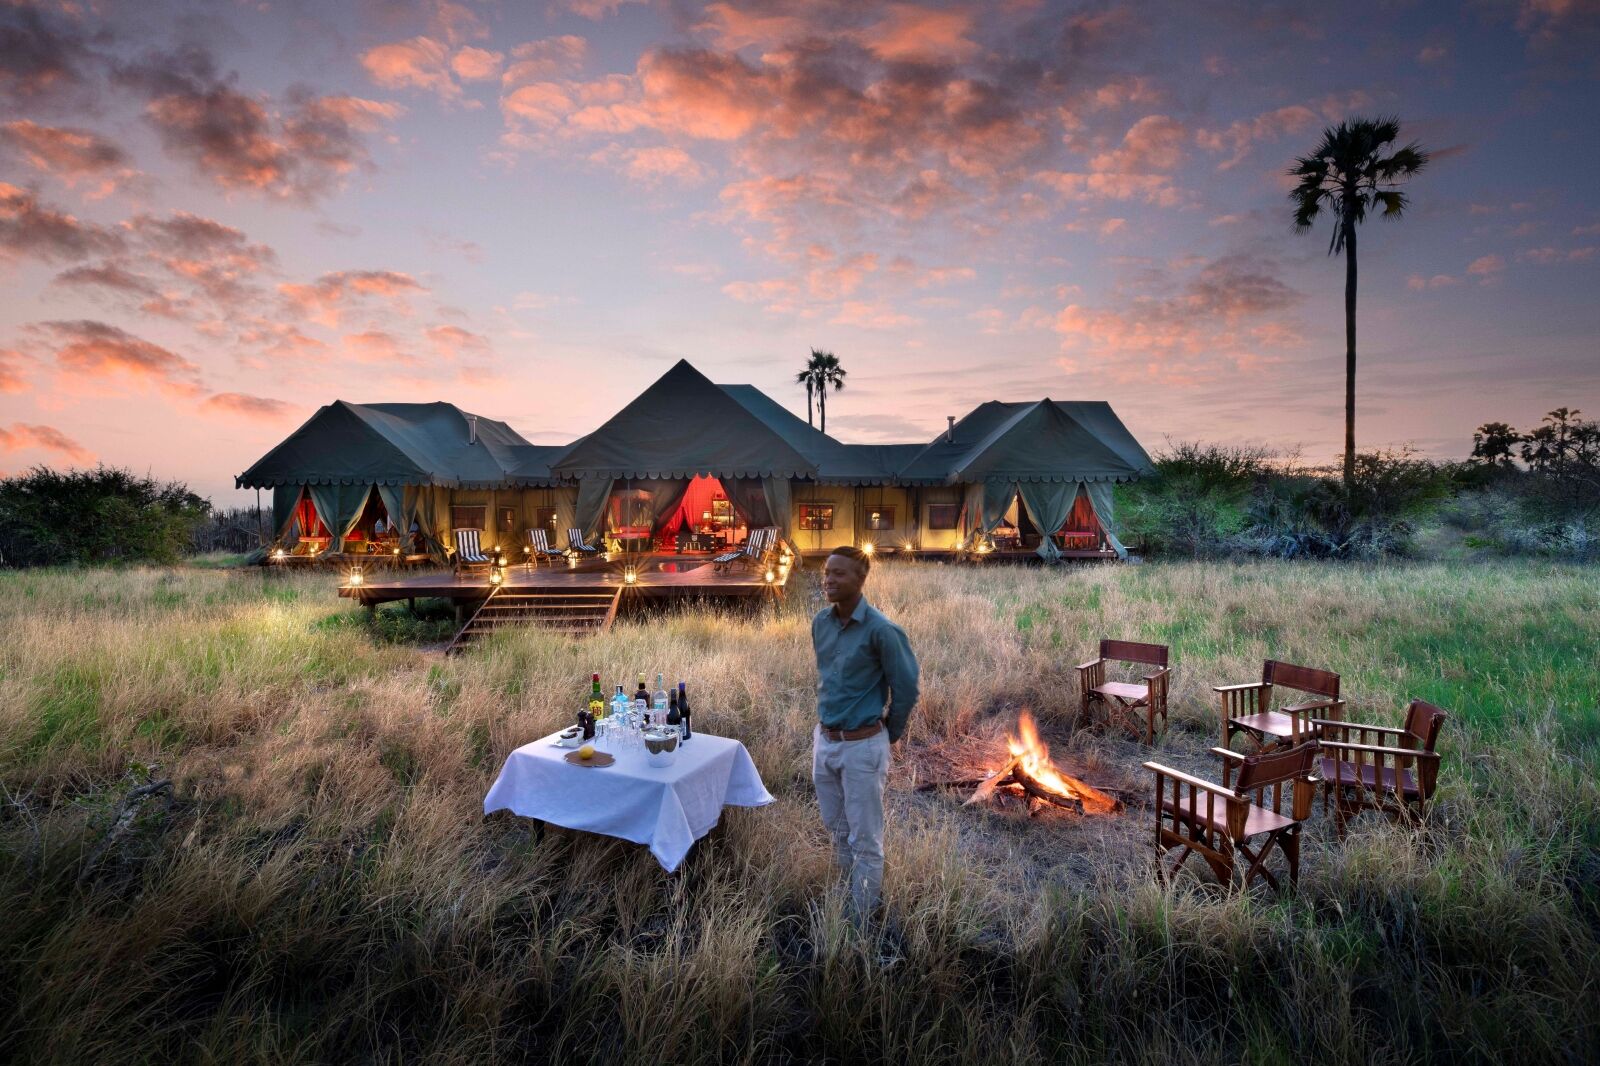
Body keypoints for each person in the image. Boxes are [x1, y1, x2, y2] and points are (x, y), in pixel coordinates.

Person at [811, 545, 919, 920]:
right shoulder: (820, 624)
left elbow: (906, 688)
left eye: (839, 573)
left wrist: (885, 736)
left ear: (860, 579)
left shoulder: (883, 631)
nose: (829, 579)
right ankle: (845, 901)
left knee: (866, 840)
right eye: (827, 572)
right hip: (824, 742)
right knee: (837, 830)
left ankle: (862, 922)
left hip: (863, 746)